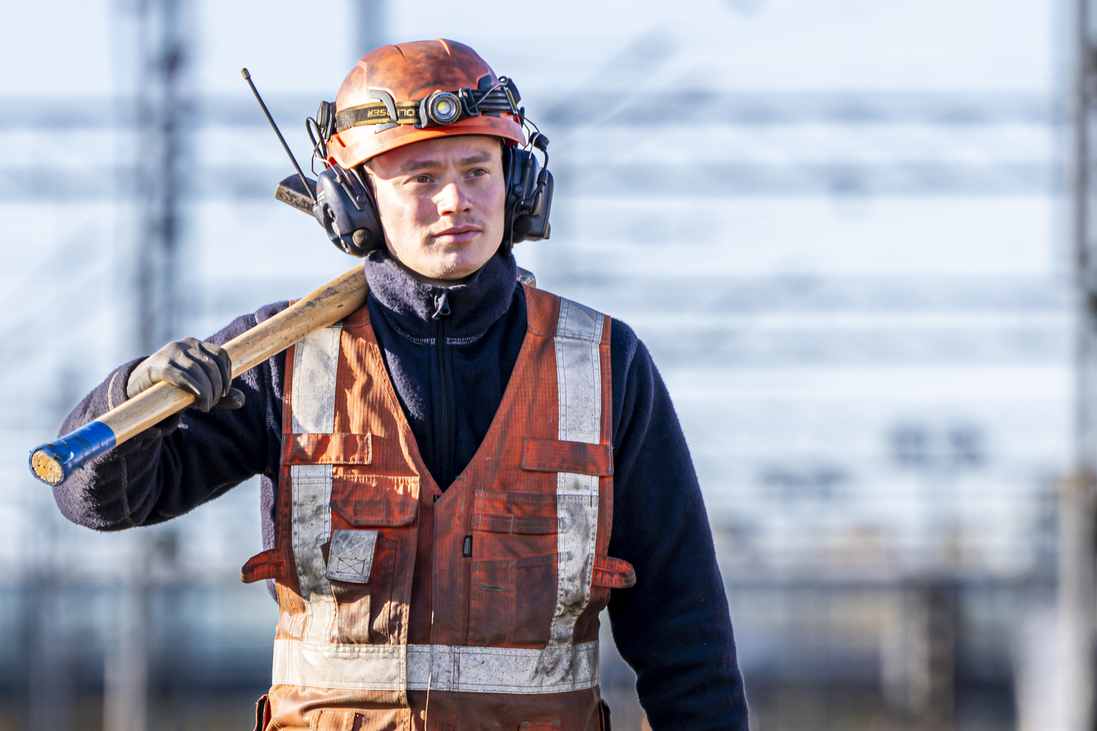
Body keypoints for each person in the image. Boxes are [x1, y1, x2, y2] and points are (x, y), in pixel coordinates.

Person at [52, 39, 749, 730]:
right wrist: (135, 399)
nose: (457, 201)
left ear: (520, 183)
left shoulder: (601, 361)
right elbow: (97, 500)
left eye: (478, 169)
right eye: (419, 178)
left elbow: (682, 624)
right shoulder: (284, 355)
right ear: (352, 198)